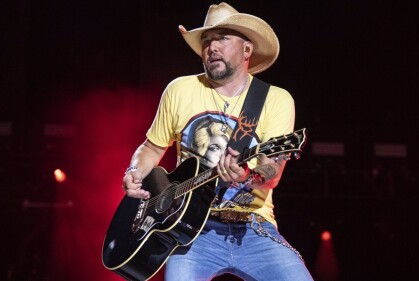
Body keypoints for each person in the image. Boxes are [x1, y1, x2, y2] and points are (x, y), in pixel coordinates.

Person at [122, 2, 313, 280]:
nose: (212, 47)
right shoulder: (180, 90)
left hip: (254, 228)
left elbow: (272, 173)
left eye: (222, 38)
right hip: (190, 233)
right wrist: (134, 171)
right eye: (207, 41)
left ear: (247, 50)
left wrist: (246, 174)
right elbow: (152, 147)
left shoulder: (276, 99)